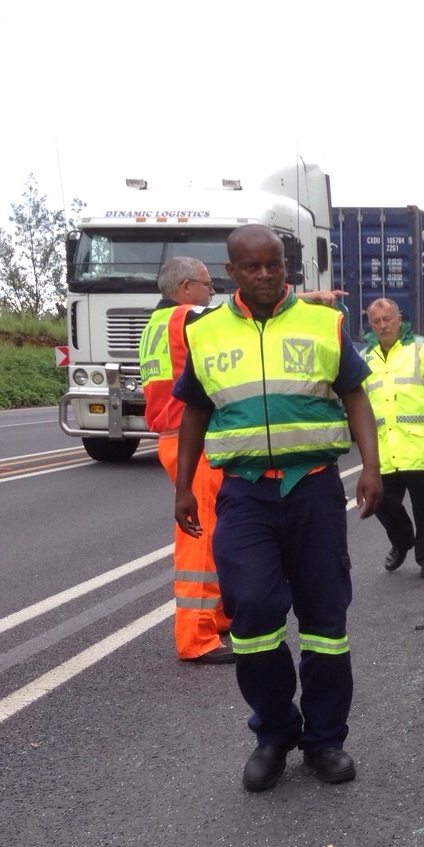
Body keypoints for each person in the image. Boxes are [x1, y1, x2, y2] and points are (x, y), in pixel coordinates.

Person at [172, 225, 383, 792]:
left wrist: (372, 465)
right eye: (252, 267)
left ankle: (325, 740)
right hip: (243, 493)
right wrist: (184, 486)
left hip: (312, 488)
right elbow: (193, 411)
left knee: (324, 621)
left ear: (286, 266)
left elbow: (355, 396)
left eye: (274, 265)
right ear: (231, 271)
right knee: (254, 615)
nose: (265, 275)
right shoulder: (207, 332)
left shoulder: (323, 322)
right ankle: (273, 732)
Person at [138, 257, 232, 663]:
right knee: (202, 537)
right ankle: (196, 636)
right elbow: (230, 323)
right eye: (208, 285)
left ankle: (219, 616)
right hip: (194, 439)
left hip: (171, 437)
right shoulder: (189, 317)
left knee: (214, 530)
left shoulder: (153, 325)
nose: (212, 292)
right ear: (186, 288)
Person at [361, 298, 424, 578]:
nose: (383, 326)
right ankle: (403, 539)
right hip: (384, 448)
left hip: (419, 444)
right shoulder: (366, 357)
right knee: (379, 502)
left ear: (399, 318)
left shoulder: (422, 348)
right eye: (376, 322)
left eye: (388, 319)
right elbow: (360, 401)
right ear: (370, 324)